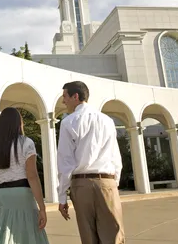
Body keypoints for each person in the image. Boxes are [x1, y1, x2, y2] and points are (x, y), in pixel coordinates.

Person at [56, 81, 125, 244]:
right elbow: (116, 157)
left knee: (88, 238)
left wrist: (62, 197)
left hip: (81, 185)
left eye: (65, 96)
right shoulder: (107, 120)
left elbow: (65, 162)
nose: (63, 101)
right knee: (114, 236)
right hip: (106, 182)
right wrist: (114, 183)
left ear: (76, 96)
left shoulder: (68, 122)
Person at [0, 107, 49, 244]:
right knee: (25, 236)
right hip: (20, 195)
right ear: (19, 123)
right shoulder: (26, 143)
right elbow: (32, 175)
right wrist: (42, 208)